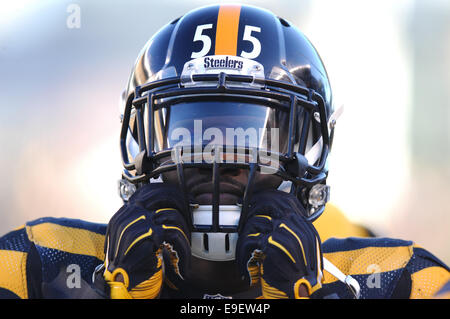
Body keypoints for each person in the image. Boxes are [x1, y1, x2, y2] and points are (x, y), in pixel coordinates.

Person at [0, 4, 448, 299]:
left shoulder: (403, 282)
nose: (221, 161)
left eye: (252, 140)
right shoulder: (35, 267)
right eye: (192, 135)